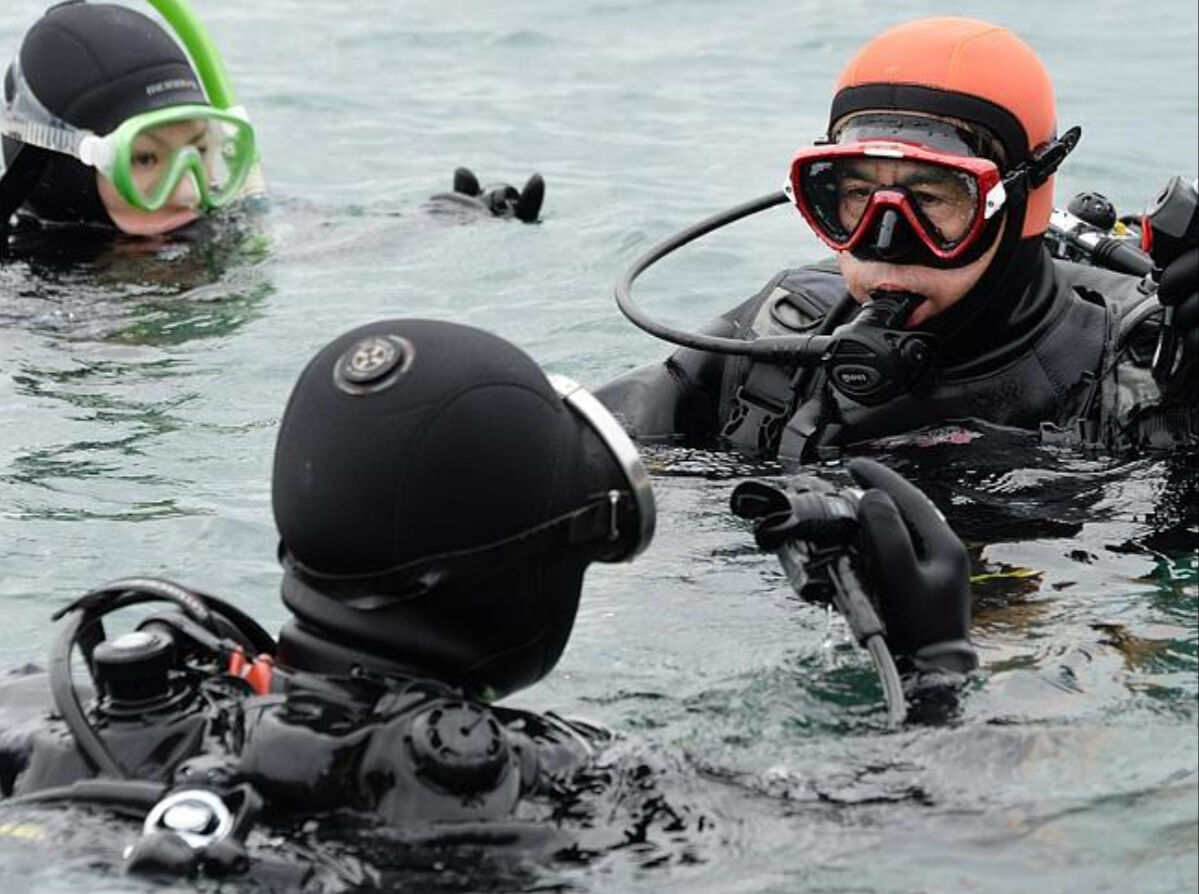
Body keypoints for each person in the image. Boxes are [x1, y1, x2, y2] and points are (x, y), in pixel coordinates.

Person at [0, 317, 973, 881]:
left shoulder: (116, 714)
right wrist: (934, 674)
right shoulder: (544, 784)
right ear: (522, 574)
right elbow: (903, 832)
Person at [596, 17, 1198, 462]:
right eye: (856, 197)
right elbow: (562, 443)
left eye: (933, 200)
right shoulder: (780, 341)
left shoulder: (1146, 364)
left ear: (1022, 201)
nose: (885, 241)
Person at [0, 0, 262, 241]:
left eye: (200, 150)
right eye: (144, 159)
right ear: (64, 173)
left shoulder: (242, 229)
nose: (189, 194)